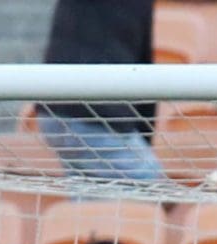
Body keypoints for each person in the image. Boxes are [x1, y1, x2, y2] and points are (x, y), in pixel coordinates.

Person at [37, 0, 164, 183]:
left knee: (89, 191)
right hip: (93, 116)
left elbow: (143, 66)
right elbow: (144, 67)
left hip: (53, 111)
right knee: (150, 182)